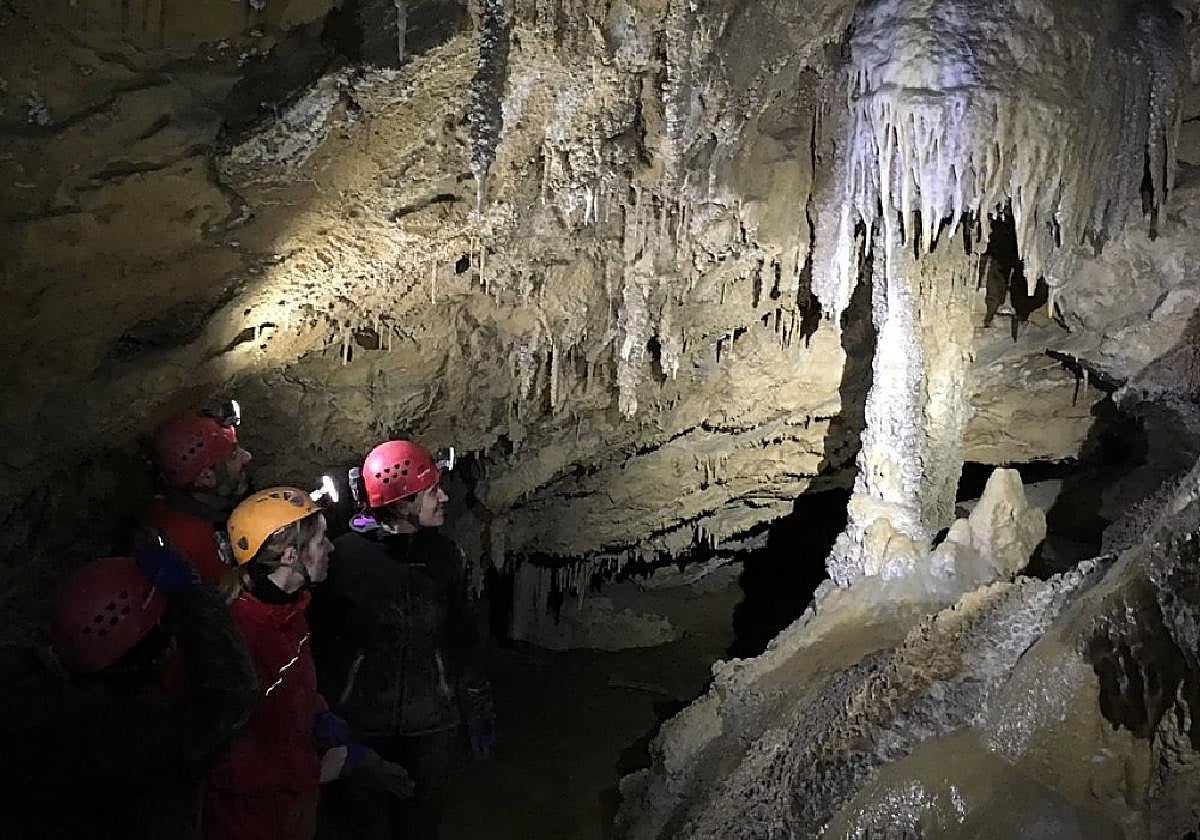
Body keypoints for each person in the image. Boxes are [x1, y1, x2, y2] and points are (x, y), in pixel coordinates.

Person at [3, 546, 258, 840]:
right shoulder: (137, 737)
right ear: (148, 649)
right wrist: (191, 596)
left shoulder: (34, 712)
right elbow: (230, 697)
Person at [204, 486, 412, 840]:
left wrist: (318, 716)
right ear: (289, 555)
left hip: (291, 812)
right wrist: (314, 768)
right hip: (248, 822)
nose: (331, 548)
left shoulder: (290, 612)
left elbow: (292, 689)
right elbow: (221, 761)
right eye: (320, 541)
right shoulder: (238, 640)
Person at [313, 440, 494, 839]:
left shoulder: (445, 556)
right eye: (432, 492)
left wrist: (477, 704)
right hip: (361, 723)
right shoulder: (343, 560)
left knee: (420, 821)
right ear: (400, 503)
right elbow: (318, 641)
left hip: (432, 722)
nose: (444, 498)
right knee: (357, 824)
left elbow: (464, 636)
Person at [147, 402, 252, 585]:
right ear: (206, 477)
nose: (248, 456)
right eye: (234, 455)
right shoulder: (195, 545)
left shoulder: (197, 506)